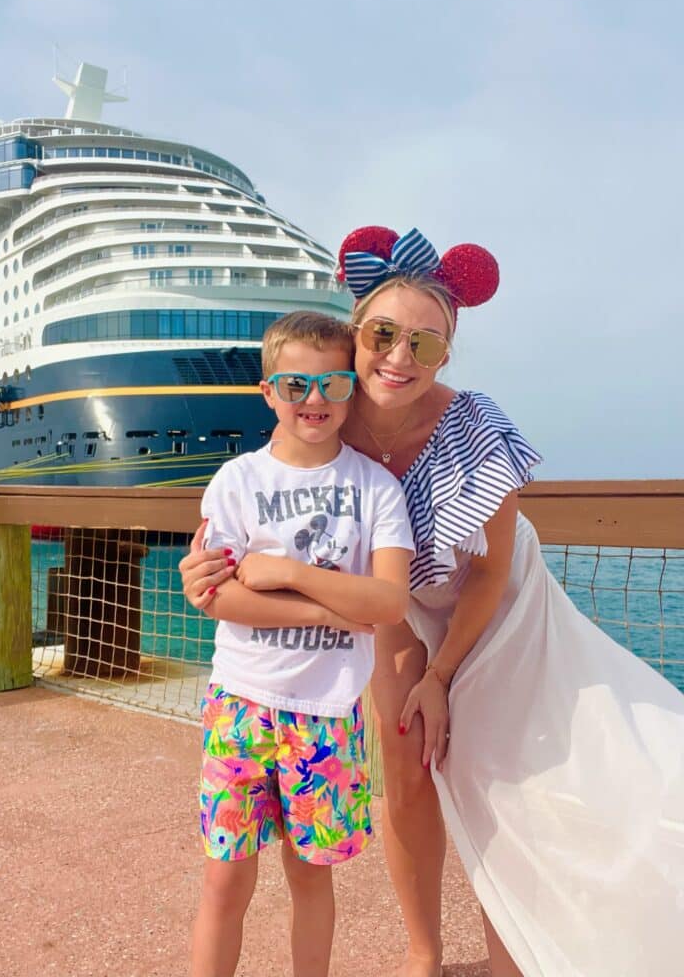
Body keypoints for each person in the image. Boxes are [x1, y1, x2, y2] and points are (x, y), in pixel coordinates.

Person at [183, 226, 684, 977]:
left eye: (425, 343)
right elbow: (273, 510)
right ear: (355, 334)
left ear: (445, 355)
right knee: (406, 763)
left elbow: (490, 572)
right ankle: (425, 951)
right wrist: (206, 569)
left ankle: (517, 950)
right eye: (383, 334)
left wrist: (441, 675)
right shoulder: (331, 411)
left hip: (498, 608)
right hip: (397, 604)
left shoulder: (474, 427)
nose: (399, 357)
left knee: (500, 772)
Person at [190, 310, 415, 977]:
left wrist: (288, 574)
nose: (314, 399)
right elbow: (219, 597)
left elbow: (390, 602)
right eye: (295, 385)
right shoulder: (237, 481)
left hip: (329, 710)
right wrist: (337, 610)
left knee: (311, 875)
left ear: (352, 389)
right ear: (269, 392)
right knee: (224, 878)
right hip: (240, 703)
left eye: (332, 384)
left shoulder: (376, 488)